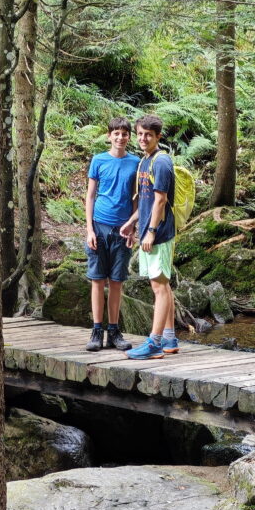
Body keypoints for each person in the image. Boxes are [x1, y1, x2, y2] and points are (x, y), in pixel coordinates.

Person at [119, 114, 178, 360]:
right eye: (140, 134)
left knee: (159, 286)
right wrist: (132, 223)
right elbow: (145, 201)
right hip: (147, 230)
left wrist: (151, 232)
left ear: (158, 137)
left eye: (148, 135)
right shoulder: (145, 161)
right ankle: (169, 338)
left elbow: (161, 200)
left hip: (160, 232)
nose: (143, 138)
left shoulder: (161, 162)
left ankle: (154, 344)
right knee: (162, 284)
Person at [84, 116, 140, 352]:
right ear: (109, 136)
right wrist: (89, 229)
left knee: (117, 281)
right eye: (116, 133)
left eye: (124, 133)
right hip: (99, 226)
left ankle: (114, 332)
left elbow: (137, 198)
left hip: (123, 229)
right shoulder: (98, 160)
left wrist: (133, 227)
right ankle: (97, 331)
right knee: (98, 280)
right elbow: (90, 196)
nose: (120, 137)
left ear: (129, 137)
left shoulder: (136, 163)